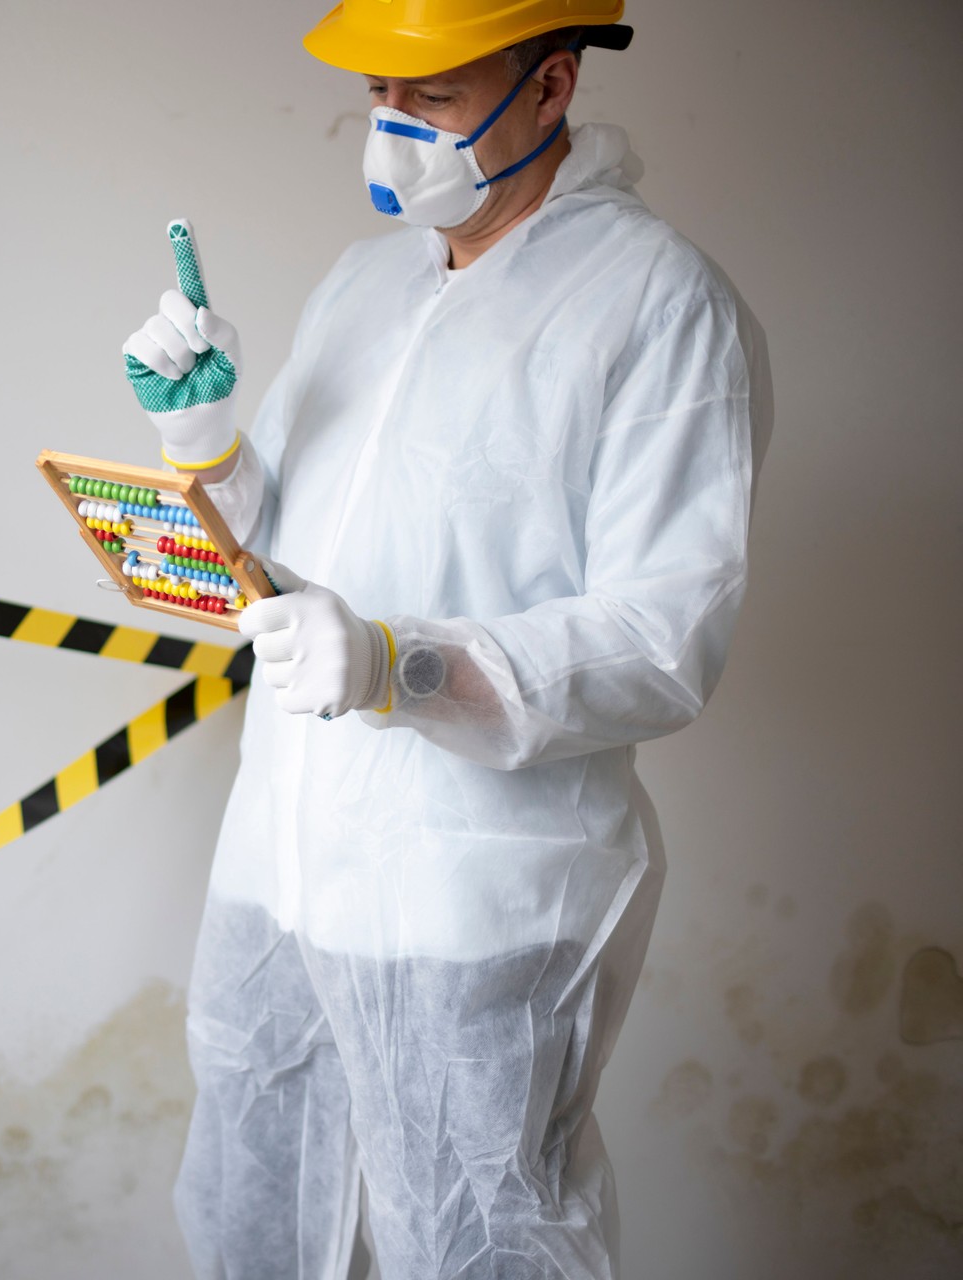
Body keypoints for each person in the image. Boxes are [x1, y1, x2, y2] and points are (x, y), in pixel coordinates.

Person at [119, 2, 774, 1276]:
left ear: (551, 87)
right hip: (289, 855)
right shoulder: (367, 282)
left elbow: (664, 632)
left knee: (481, 1235)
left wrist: (393, 661)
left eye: (433, 95)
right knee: (259, 1205)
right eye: (380, 91)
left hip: (475, 885)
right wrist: (206, 457)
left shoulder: (657, 303)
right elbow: (301, 566)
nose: (391, 127)